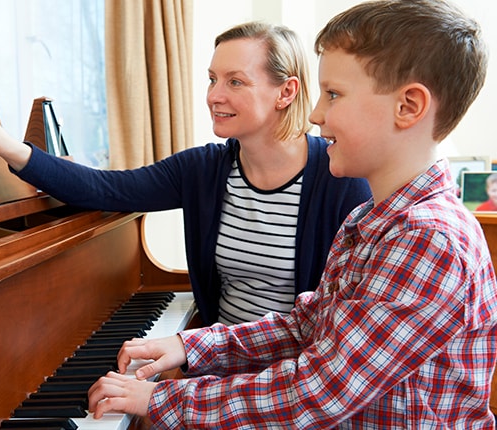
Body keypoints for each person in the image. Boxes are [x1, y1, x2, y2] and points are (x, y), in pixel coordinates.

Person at [86, 0, 497, 427]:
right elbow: (308, 326)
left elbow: (320, 390)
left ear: (408, 106)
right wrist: (195, 346)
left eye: (333, 94)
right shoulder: (369, 221)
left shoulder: (428, 238)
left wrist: (162, 398)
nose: (316, 113)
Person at [0, 22, 370, 326]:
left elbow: (339, 322)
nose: (213, 96)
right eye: (211, 79)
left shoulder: (340, 178)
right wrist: (1, 143)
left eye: (235, 82)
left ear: (287, 92)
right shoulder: (204, 169)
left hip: (290, 376)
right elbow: (106, 188)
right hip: (216, 360)